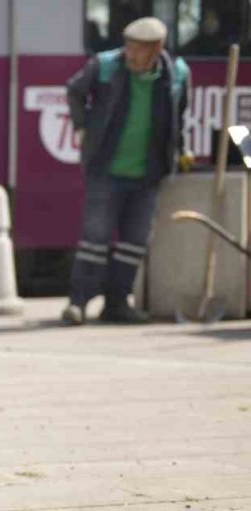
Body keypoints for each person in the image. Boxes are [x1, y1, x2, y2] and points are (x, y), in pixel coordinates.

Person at [63, 16, 191, 325]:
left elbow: (179, 115)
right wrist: (82, 126)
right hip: (106, 167)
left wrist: (181, 149)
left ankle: (117, 303)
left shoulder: (178, 74)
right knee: (95, 238)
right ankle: (78, 302)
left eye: (138, 50)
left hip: (148, 172)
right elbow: (75, 90)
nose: (131, 55)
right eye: (129, 47)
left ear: (156, 48)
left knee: (134, 241)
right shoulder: (105, 65)